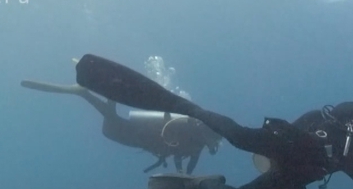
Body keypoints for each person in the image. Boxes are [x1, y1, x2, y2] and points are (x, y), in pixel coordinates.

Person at [74, 54, 353, 189]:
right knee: (236, 136)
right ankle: (186, 107)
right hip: (282, 143)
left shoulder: (350, 155)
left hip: (289, 174)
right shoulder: (336, 115)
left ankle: (205, 183)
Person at [21, 60, 222, 175]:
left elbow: (184, 162)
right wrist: (183, 175)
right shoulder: (194, 137)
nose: (216, 144)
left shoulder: (197, 142)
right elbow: (179, 152)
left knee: (111, 118)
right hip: (134, 136)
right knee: (112, 119)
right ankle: (95, 91)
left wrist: (183, 176)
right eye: (217, 139)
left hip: (136, 136)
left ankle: (99, 90)